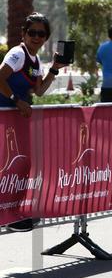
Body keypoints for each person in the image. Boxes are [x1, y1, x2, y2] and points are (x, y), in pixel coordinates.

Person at [0, 12, 66, 231]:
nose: (36, 37)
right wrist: (16, 100)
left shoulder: (36, 60)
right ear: (23, 33)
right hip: (5, 117)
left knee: (20, 164)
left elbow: (39, 91)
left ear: (46, 37)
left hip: (16, 120)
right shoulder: (17, 54)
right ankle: (10, 216)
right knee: (10, 165)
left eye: (41, 34)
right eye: (32, 32)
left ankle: (13, 214)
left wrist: (54, 69)